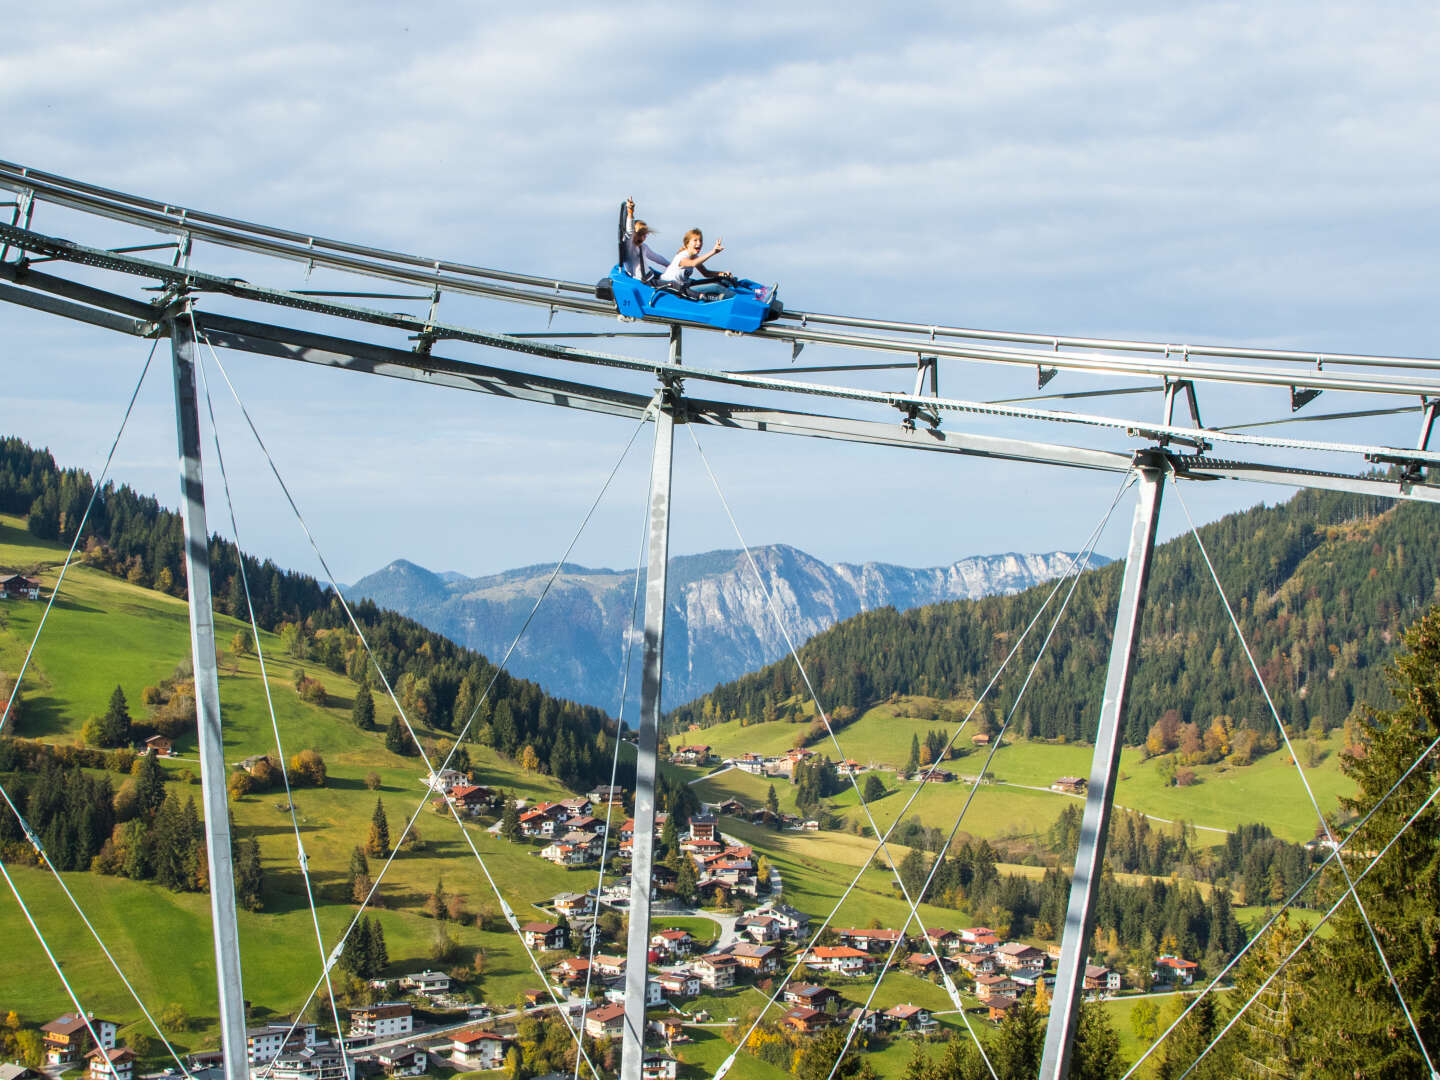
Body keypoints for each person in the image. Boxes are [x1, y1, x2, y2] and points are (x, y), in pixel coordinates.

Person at [660, 228, 736, 298]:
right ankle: (738, 300)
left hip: (685, 285)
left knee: (721, 281)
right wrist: (713, 252)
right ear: (687, 243)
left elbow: (706, 273)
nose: (699, 243)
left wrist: (723, 274)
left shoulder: (694, 256)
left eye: (700, 240)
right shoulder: (682, 256)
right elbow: (693, 263)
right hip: (672, 288)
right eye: (695, 240)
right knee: (716, 287)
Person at [621, 198, 668, 282]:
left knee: (671, 279)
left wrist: (671, 265)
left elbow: (657, 258)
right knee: (673, 285)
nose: (643, 237)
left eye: (645, 234)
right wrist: (630, 212)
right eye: (640, 234)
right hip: (642, 282)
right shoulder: (629, 246)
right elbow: (630, 231)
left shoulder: (643, 247)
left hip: (650, 275)